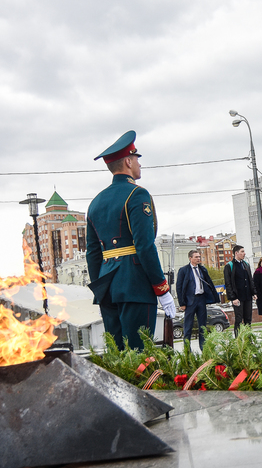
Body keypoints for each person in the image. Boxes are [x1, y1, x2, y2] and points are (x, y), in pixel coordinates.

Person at [86, 130, 175, 351]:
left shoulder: (95, 202)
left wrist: (101, 288)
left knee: (117, 357)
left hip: (108, 287)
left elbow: (92, 253)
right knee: (139, 356)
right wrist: (162, 289)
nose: (139, 164)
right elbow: (144, 245)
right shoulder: (137, 195)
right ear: (127, 161)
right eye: (137, 159)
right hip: (135, 285)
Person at [175, 249, 220, 350]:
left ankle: (203, 348)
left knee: (202, 326)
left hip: (201, 299)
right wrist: (182, 303)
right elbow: (179, 287)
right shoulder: (184, 270)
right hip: (190, 301)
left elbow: (209, 283)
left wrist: (213, 297)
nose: (198, 258)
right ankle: (187, 350)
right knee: (188, 326)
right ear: (190, 258)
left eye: (199, 257)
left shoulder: (202, 269)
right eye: (196, 257)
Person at [223, 245, 255, 336]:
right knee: (239, 319)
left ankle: (248, 339)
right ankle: (238, 340)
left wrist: (254, 292)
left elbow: (250, 280)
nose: (244, 253)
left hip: (247, 296)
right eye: (242, 251)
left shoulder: (246, 264)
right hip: (238, 298)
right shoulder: (230, 266)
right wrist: (233, 298)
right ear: (236, 253)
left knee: (248, 319)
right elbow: (228, 283)